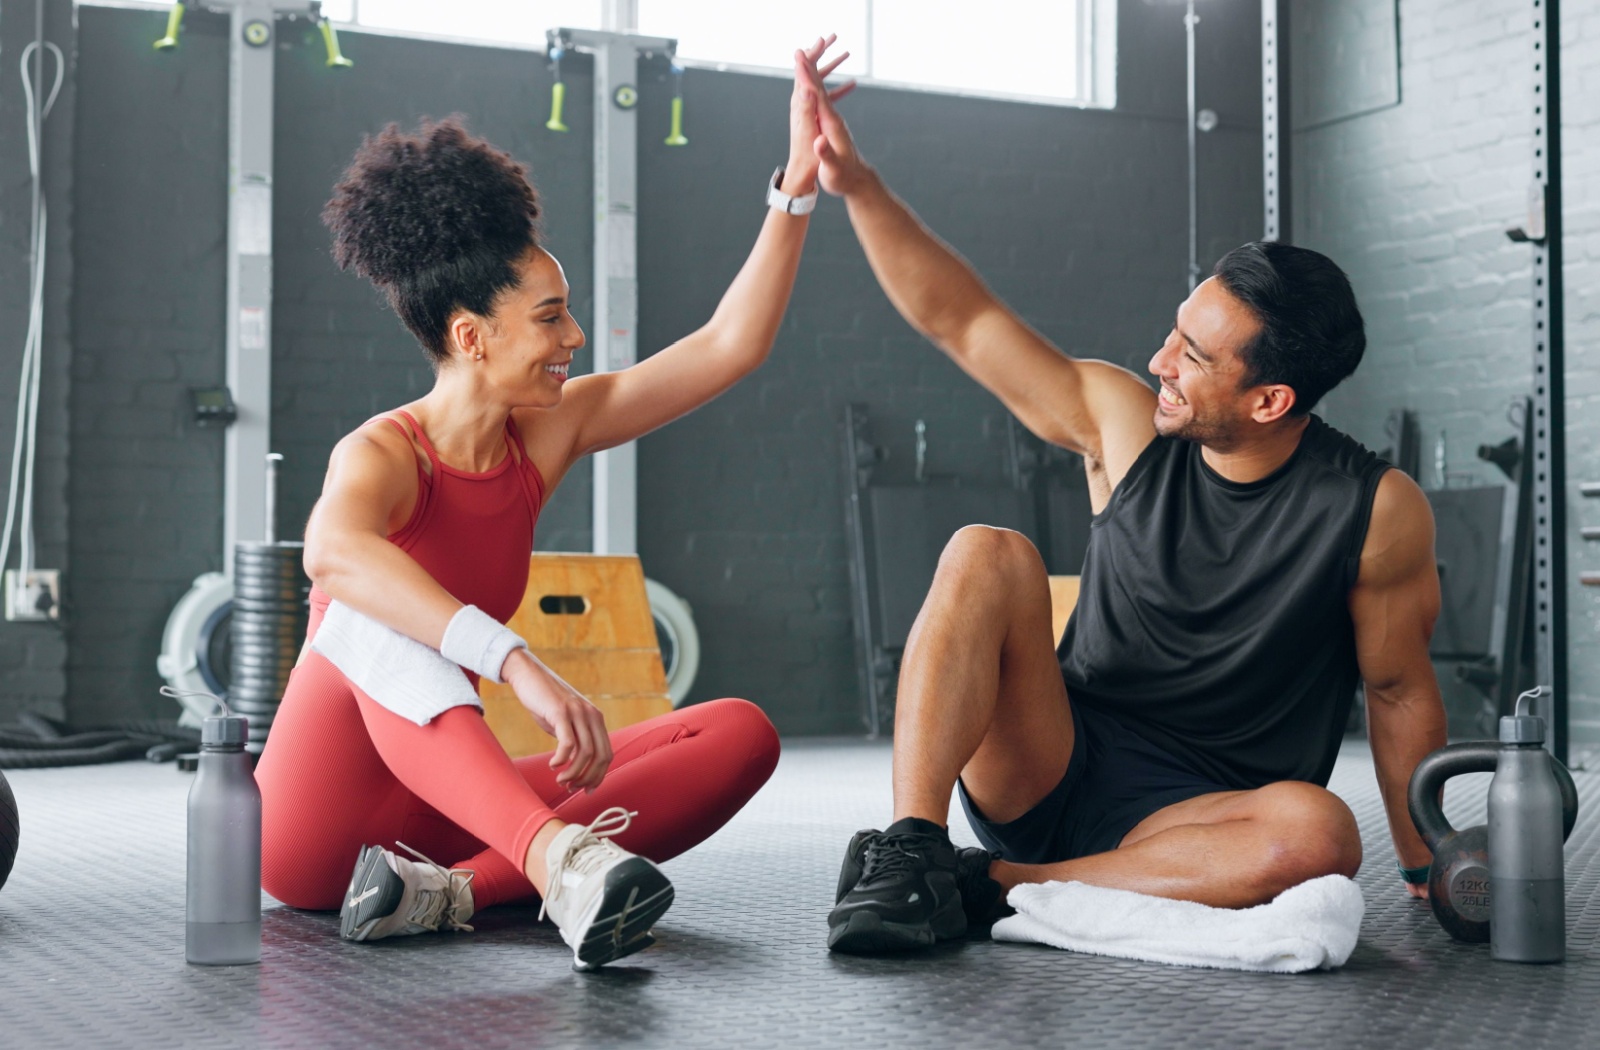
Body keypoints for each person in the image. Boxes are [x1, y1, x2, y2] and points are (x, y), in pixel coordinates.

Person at [792, 55, 1448, 955]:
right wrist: (858, 188)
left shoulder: (1374, 507)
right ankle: (911, 850)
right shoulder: (1124, 425)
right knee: (985, 549)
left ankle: (990, 890)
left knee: (1322, 835)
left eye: (1194, 357)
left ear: (1271, 401)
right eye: (1176, 332)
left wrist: (1428, 863)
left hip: (1205, 822)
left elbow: (1398, 683)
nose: (1160, 364)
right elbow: (966, 322)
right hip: (1050, 767)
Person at [254, 38, 855, 971]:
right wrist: (517, 664)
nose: (574, 335)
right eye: (549, 317)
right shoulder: (381, 452)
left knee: (735, 733)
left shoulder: (551, 429)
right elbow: (330, 555)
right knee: (375, 611)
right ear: (471, 336)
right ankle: (552, 858)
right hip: (308, 834)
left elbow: (728, 346)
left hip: (445, 824)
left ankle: (459, 894)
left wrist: (797, 188)